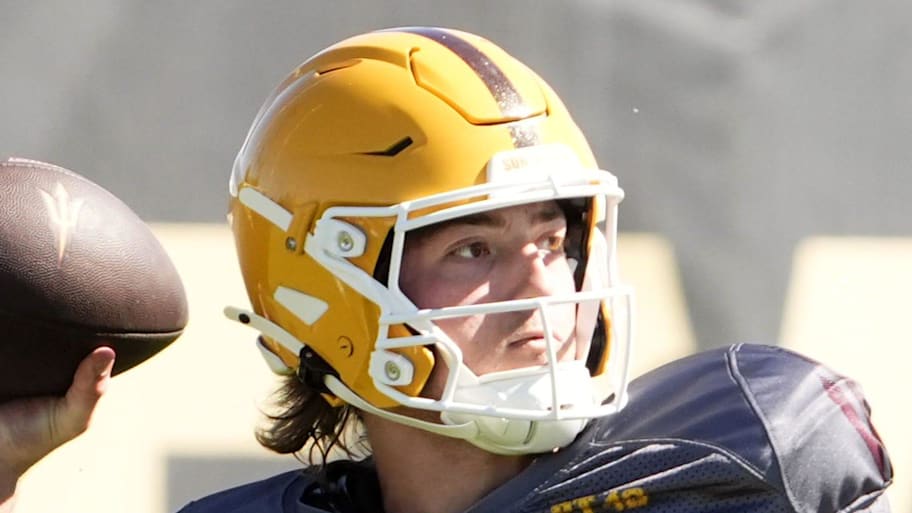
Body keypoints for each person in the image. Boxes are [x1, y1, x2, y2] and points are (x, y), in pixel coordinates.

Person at [1, 26, 893, 513]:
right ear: (327, 292)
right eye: (473, 248)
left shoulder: (742, 462)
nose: (545, 291)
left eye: (553, 238)